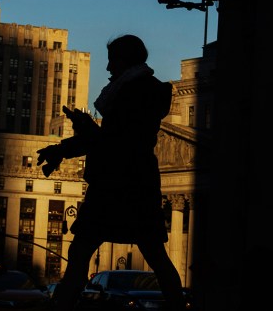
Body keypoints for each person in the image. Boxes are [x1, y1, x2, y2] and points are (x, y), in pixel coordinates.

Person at [36, 34, 185, 311]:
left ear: (125, 60)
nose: (108, 69)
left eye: (112, 61)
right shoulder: (141, 90)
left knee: (82, 252)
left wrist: (77, 136)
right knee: (154, 255)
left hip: (117, 184)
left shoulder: (132, 92)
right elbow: (114, 138)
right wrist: (71, 143)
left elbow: (115, 141)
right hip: (135, 183)